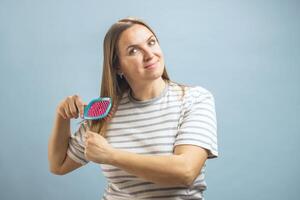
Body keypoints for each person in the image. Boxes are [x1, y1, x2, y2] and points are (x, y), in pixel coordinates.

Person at [48, 17, 218, 200]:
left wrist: (111, 155)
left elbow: (185, 171)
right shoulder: (105, 111)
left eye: (151, 42)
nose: (149, 54)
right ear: (117, 66)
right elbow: (59, 165)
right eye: (134, 50)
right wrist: (61, 116)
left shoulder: (194, 99)